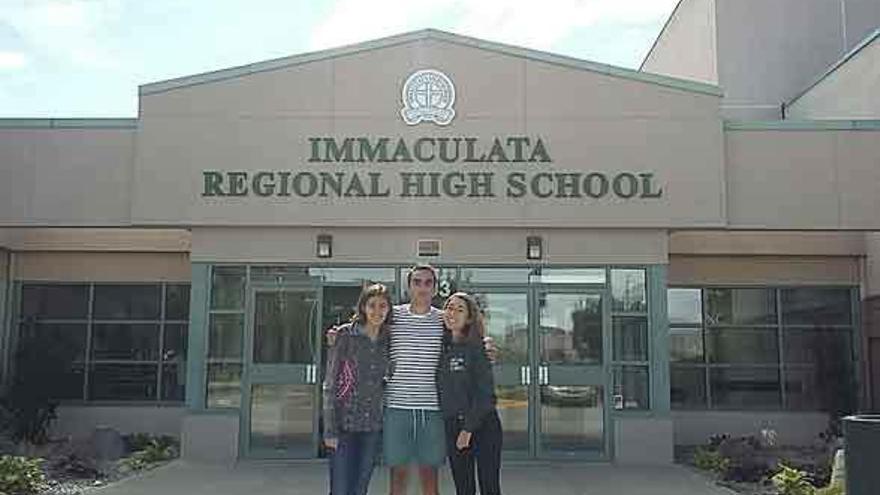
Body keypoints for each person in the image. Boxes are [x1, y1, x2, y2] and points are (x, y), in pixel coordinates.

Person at [383, 264, 447, 495]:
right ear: (408, 286)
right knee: (398, 477)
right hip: (397, 407)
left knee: (429, 477)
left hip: (432, 409)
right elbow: (364, 324)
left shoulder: (443, 320)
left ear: (435, 289)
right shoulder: (393, 315)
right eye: (417, 282)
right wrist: (339, 332)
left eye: (428, 283)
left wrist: (487, 344)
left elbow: (468, 334)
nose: (422, 287)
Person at [323, 283, 392, 495]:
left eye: (383, 306)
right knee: (341, 489)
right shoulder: (345, 336)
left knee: (360, 488)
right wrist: (330, 429)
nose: (377, 311)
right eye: (372, 305)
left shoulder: (389, 340)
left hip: (371, 427)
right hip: (344, 425)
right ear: (363, 307)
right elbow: (331, 384)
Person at [438, 292, 503, 495]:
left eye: (460, 310)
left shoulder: (477, 348)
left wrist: (467, 430)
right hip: (452, 427)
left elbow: (486, 395)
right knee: (463, 488)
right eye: (449, 307)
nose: (453, 313)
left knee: (489, 487)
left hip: (483, 426)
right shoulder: (441, 348)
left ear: (469, 318)